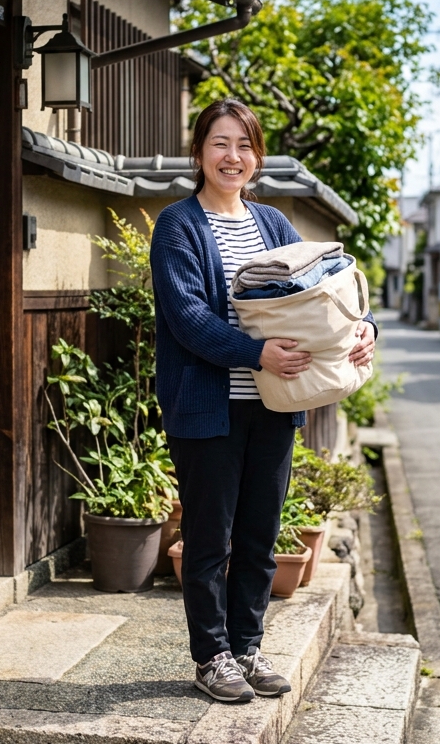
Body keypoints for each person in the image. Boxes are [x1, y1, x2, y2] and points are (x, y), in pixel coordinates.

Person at [150, 97, 377, 703]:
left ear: (257, 157)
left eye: (245, 145)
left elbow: (324, 286)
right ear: (199, 152)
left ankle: (247, 648)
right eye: (220, 143)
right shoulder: (178, 225)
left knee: (259, 533)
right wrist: (257, 354)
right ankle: (211, 657)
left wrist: (364, 326)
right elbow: (188, 319)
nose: (233, 156)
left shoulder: (273, 224)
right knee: (209, 538)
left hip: (274, 404)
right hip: (209, 406)